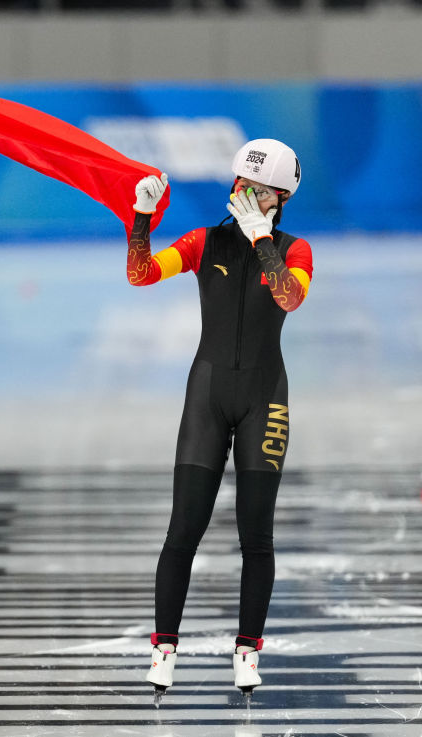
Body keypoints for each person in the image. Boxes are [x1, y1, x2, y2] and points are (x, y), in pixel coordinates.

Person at [126, 140, 313, 701]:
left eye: (257, 190)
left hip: (264, 399)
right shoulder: (203, 242)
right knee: (183, 528)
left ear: (280, 198)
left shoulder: (296, 250)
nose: (243, 194)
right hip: (207, 396)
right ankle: (164, 649)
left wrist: (262, 242)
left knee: (256, 535)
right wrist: (140, 218)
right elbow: (141, 274)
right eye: (239, 184)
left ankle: (247, 650)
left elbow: (289, 298)